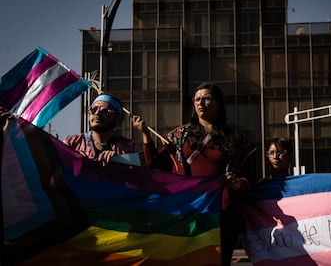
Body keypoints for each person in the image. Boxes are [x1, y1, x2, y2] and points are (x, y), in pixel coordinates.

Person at [138, 82, 258, 265]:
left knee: (217, 260)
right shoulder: (179, 136)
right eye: (197, 99)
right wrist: (146, 136)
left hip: (221, 212)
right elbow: (155, 166)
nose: (201, 102)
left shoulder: (236, 139)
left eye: (207, 98)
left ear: (218, 103)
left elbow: (249, 178)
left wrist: (237, 182)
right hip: (187, 210)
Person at [64, 93, 145, 166]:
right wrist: (73, 157)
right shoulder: (73, 143)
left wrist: (119, 161)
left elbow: (141, 173)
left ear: (118, 118)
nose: (97, 113)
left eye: (104, 110)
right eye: (93, 109)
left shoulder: (128, 148)